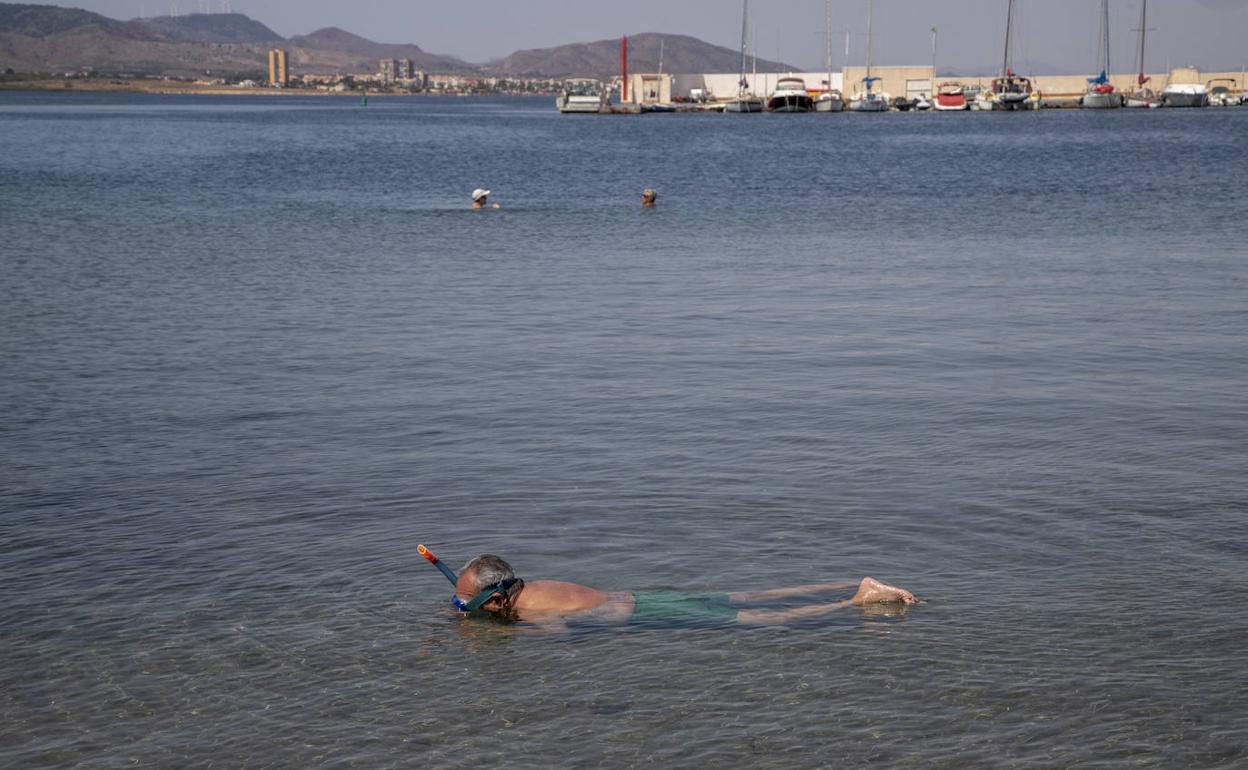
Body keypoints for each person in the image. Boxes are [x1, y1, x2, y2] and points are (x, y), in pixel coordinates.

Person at [452, 554, 917, 628]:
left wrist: (505, 634)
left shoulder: (528, 612)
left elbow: (557, 633)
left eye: (463, 604)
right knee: (746, 596)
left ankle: (856, 601)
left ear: (495, 599)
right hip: (640, 595)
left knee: (753, 620)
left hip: (640, 616)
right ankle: (848, 580)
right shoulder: (533, 585)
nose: (459, 609)